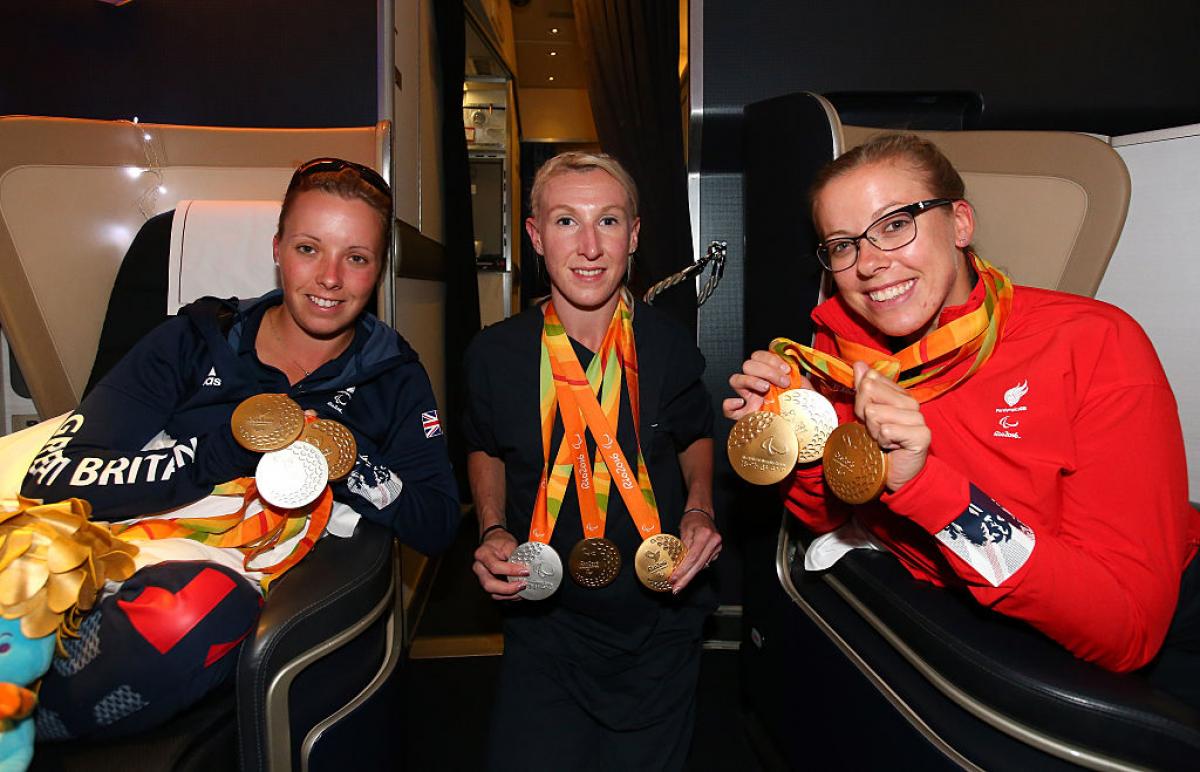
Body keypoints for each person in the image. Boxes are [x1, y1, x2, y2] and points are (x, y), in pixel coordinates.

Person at [725, 133, 1200, 705]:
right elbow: (831, 512)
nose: (870, 263)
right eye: (844, 243)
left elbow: (1126, 631)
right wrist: (795, 438)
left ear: (960, 224)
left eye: (896, 223)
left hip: (1151, 636)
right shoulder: (840, 353)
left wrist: (925, 487)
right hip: (963, 624)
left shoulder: (1092, 343)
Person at [20, 157, 460, 738]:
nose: (330, 277)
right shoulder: (193, 339)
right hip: (112, 543)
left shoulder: (393, 376)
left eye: (356, 258)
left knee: (192, 612)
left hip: (204, 588)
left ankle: (25, 719)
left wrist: (350, 460)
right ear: (277, 249)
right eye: (309, 248)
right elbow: (54, 476)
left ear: (378, 269)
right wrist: (222, 449)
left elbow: (436, 522)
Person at [464, 151, 721, 771]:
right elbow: (485, 444)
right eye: (564, 222)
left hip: (660, 621)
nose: (588, 247)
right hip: (545, 624)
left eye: (607, 221)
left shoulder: (670, 346)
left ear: (634, 236)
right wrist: (492, 527)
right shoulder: (493, 354)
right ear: (534, 236)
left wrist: (700, 507)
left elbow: (694, 436)